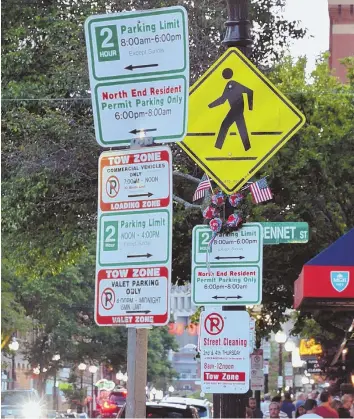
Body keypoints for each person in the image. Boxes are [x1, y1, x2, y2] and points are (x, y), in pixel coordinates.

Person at [208, 67, 253, 151]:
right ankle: (248, 148)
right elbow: (223, 100)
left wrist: (250, 107)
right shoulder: (229, 85)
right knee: (241, 127)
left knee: (224, 125)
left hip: (237, 108)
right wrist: (210, 106)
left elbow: (250, 91)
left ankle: (217, 147)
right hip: (236, 109)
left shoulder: (233, 84)